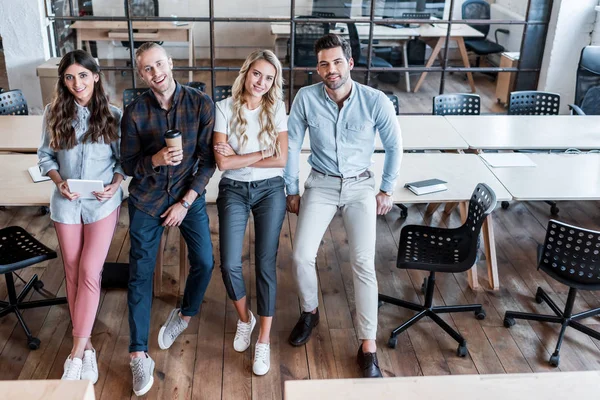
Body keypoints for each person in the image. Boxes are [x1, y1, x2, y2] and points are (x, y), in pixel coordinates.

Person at [284, 34, 402, 378]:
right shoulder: (305, 98)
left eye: (337, 62)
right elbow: (291, 145)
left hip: (361, 185)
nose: (330, 69)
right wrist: (292, 189)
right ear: (317, 68)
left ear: (349, 64)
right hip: (320, 183)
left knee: (363, 261)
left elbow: (395, 147)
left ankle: (368, 345)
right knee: (301, 255)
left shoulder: (375, 100)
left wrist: (387, 189)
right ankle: (310, 312)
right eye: (323, 63)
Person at [120, 42, 215, 396]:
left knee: (205, 262)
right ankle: (138, 354)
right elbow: (129, 165)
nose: (156, 73)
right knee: (139, 275)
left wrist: (186, 202)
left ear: (171, 63)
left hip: (187, 197)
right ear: (141, 73)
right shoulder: (134, 112)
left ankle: (184, 315)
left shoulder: (200, 103)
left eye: (160, 64)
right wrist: (156, 160)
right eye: (147, 68)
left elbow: (207, 160)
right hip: (146, 200)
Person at [37, 50, 124, 383]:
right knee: (72, 272)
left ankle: (74, 354)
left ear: (96, 77)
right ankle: (86, 349)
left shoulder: (114, 116)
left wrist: (114, 184)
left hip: (102, 203)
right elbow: (46, 158)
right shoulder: (53, 113)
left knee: (90, 270)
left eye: (83, 76)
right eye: (70, 77)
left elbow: (122, 164)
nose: (77, 84)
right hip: (66, 205)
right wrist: (59, 183)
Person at [213, 49, 288, 376]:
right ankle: (246, 319)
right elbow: (223, 164)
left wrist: (241, 155)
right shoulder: (224, 108)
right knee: (229, 263)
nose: (261, 82)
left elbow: (282, 160)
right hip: (233, 189)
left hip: (271, 189)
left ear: (274, 82)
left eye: (268, 77)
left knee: (264, 263)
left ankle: (264, 341)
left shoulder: (278, 108)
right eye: (257, 73)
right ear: (246, 73)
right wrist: (261, 152)